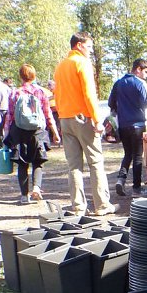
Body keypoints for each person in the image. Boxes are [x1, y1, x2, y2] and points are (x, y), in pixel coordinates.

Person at [52, 32, 118, 216]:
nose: (90, 51)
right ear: (79, 45)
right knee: (95, 161)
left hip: (65, 118)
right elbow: (89, 94)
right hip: (83, 118)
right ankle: (102, 205)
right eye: (89, 47)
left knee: (73, 165)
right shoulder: (81, 63)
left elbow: (57, 95)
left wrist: (62, 116)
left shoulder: (60, 66)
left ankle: (78, 206)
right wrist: (97, 120)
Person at [3, 63, 60, 204]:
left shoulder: (15, 92)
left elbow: (10, 115)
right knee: (38, 161)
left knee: (22, 164)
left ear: (20, 76)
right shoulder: (40, 92)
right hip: (37, 131)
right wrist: (55, 132)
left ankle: (24, 196)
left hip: (19, 130)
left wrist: (6, 133)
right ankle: (36, 187)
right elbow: (47, 114)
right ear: (33, 75)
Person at [108, 58, 147, 198]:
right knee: (138, 157)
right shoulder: (140, 83)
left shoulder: (118, 83)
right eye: (145, 72)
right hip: (138, 125)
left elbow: (111, 103)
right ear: (138, 69)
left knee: (127, 154)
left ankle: (121, 180)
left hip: (123, 125)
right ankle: (136, 188)